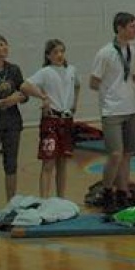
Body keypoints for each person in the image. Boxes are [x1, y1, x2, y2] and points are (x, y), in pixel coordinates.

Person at [0, 33, 44, 217]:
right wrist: (4, 102)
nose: (5, 47)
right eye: (0, 45)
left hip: (12, 123)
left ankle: (11, 203)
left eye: (6, 44)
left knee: (11, 163)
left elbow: (23, 91)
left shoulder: (13, 70)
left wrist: (35, 95)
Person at [91, 13, 135, 209]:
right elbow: (93, 82)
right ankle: (106, 191)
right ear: (120, 28)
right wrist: (110, 93)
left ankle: (123, 192)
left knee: (128, 154)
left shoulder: (132, 49)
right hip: (112, 110)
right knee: (115, 154)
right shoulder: (105, 53)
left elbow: (132, 77)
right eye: (132, 26)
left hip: (131, 107)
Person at [30, 39, 81, 200]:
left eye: (61, 51)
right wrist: (43, 97)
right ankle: (44, 199)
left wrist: (74, 104)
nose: (59, 55)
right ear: (48, 55)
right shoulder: (45, 72)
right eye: (55, 52)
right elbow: (26, 85)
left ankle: (61, 198)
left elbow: (77, 85)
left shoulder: (72, 70)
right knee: (48, 162)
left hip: (66, 120)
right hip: (51, 121)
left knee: (63, 162)